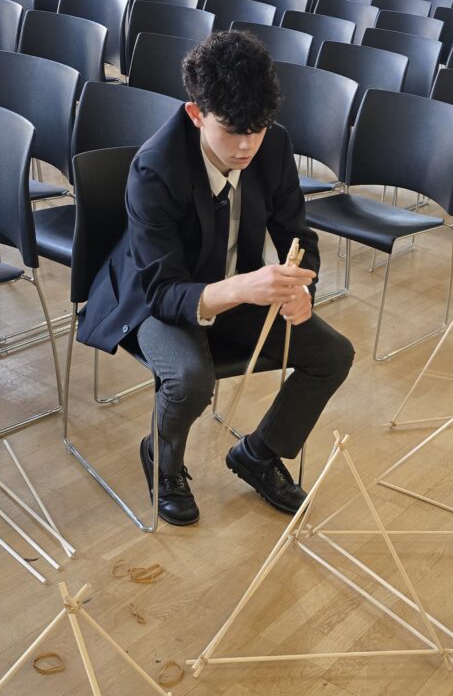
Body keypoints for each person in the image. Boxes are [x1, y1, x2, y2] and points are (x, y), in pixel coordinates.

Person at [77, 30, 354, 526]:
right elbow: (163, 291)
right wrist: (244, 288)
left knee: (333, 354)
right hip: (157, 297)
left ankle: (259, 453)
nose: (247, 145)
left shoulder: (274, 144)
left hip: (233, 287)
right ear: (196, 114)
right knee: (190, 378)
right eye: (231, 130)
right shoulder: (154, 168)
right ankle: (162, 459)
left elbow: (297, 234)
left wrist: (300, 288)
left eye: (259, 128)